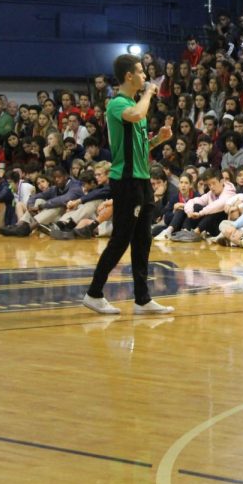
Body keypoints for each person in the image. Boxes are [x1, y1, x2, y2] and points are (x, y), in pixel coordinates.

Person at [83, 54, 175, 316]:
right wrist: (147, 94)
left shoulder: (136, 107)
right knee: (121, 238)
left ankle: (142, 299)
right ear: (129, 76)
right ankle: (94, 293)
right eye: (141, 73)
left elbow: (141, 145)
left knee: (143, 239)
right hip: (126, 180)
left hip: (142, 179)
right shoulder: (118, 104)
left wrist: (159, 139)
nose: (145, 77)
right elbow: (135, 115)